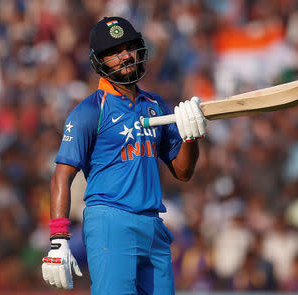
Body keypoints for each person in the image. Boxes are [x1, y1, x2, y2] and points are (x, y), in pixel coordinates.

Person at [41, 16, 207, 294]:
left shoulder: (155, 105)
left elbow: (183, 172)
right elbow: (61, 176)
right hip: (110, 222)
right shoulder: (89, 111)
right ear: (99, 61)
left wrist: (191, 136)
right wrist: (59, 239)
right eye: (115, 52)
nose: (126, 56)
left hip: (153, 224)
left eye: (129, 47)